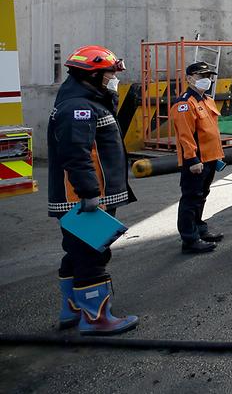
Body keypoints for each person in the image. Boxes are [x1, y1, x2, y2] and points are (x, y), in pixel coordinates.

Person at [47, 45, 138, 335]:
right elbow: (76, 154)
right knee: (91, 255)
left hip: (85, 196)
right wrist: (88, 193)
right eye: (110, 73)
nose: (114, 77)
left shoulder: (87, 100)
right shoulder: (79, 107)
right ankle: (97, 319)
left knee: (75, 254)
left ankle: (71, 311)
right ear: (93, 74)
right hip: (84, 199)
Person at [171, 61, 226, 254]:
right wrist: (192, 160)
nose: (206, 80)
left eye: (208, 77)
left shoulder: (206, 100)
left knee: (201, 196)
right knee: (191, 198)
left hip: (210, 158)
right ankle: (190, 238)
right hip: (196, 161)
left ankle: (200, 229)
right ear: (189, 78)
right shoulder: (185, 103)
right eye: (201, 76)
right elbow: (185, 135)